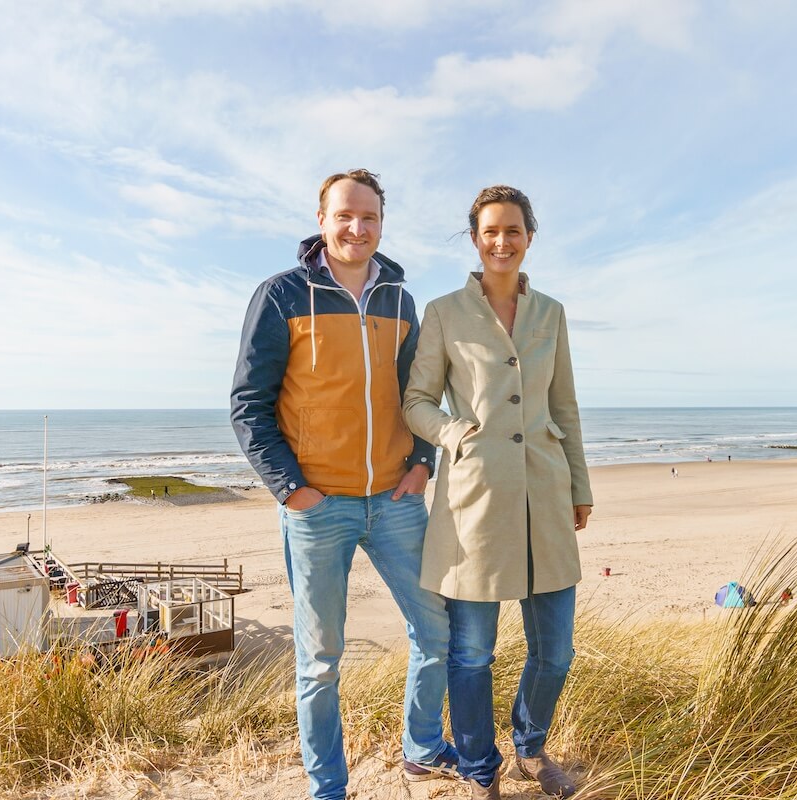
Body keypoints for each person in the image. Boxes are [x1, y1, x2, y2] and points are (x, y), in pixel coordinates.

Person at [231, 169, 454, 800]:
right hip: (316, 507)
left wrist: (421, 463)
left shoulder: (398, 299)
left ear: (382, 223)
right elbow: (249, 401)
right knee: (321, 661)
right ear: (322, 220)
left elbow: (417, 394)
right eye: (346, 216)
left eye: (370, 218)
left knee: (435, 630)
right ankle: (328, 786)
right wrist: (290, 488)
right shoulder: (281, 295)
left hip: (395, 498)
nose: (358, 228)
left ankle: (421, 750)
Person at [404, 185, 593, 800]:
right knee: (473, 652)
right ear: (475, 238)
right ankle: (481, 767)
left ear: (529, 237)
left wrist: (579, 485)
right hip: (476, 498)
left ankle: (531, 749)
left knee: (556, 651)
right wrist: (454, 432)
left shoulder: (552, 313)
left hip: (546, 490)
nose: (501, 241)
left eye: (513, 230)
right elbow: (417, 401)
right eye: (490, 231)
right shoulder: (443, 312)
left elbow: (563, 404)